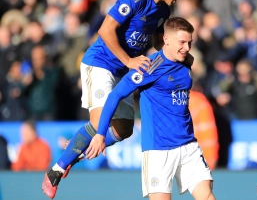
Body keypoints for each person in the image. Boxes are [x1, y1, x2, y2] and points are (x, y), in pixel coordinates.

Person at [42, 0, 189, 199]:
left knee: (123, 130)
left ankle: (75, 149)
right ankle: (56, 170)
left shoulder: (163, 12)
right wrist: (128, 60)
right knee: (100, 121)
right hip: (100, 63)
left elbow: (155, 41)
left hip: (123, 69)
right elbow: (105, 30)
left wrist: (178, 51)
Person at [86, 17, 215, 200]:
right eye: (182, 42)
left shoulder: (186, 62)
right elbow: (115, 95)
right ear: (166, 39)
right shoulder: (149, 67)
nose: (187, 48)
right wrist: (100, 134)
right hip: (158, 150)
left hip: (188, 146)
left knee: (207, 196)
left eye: (189, 42)